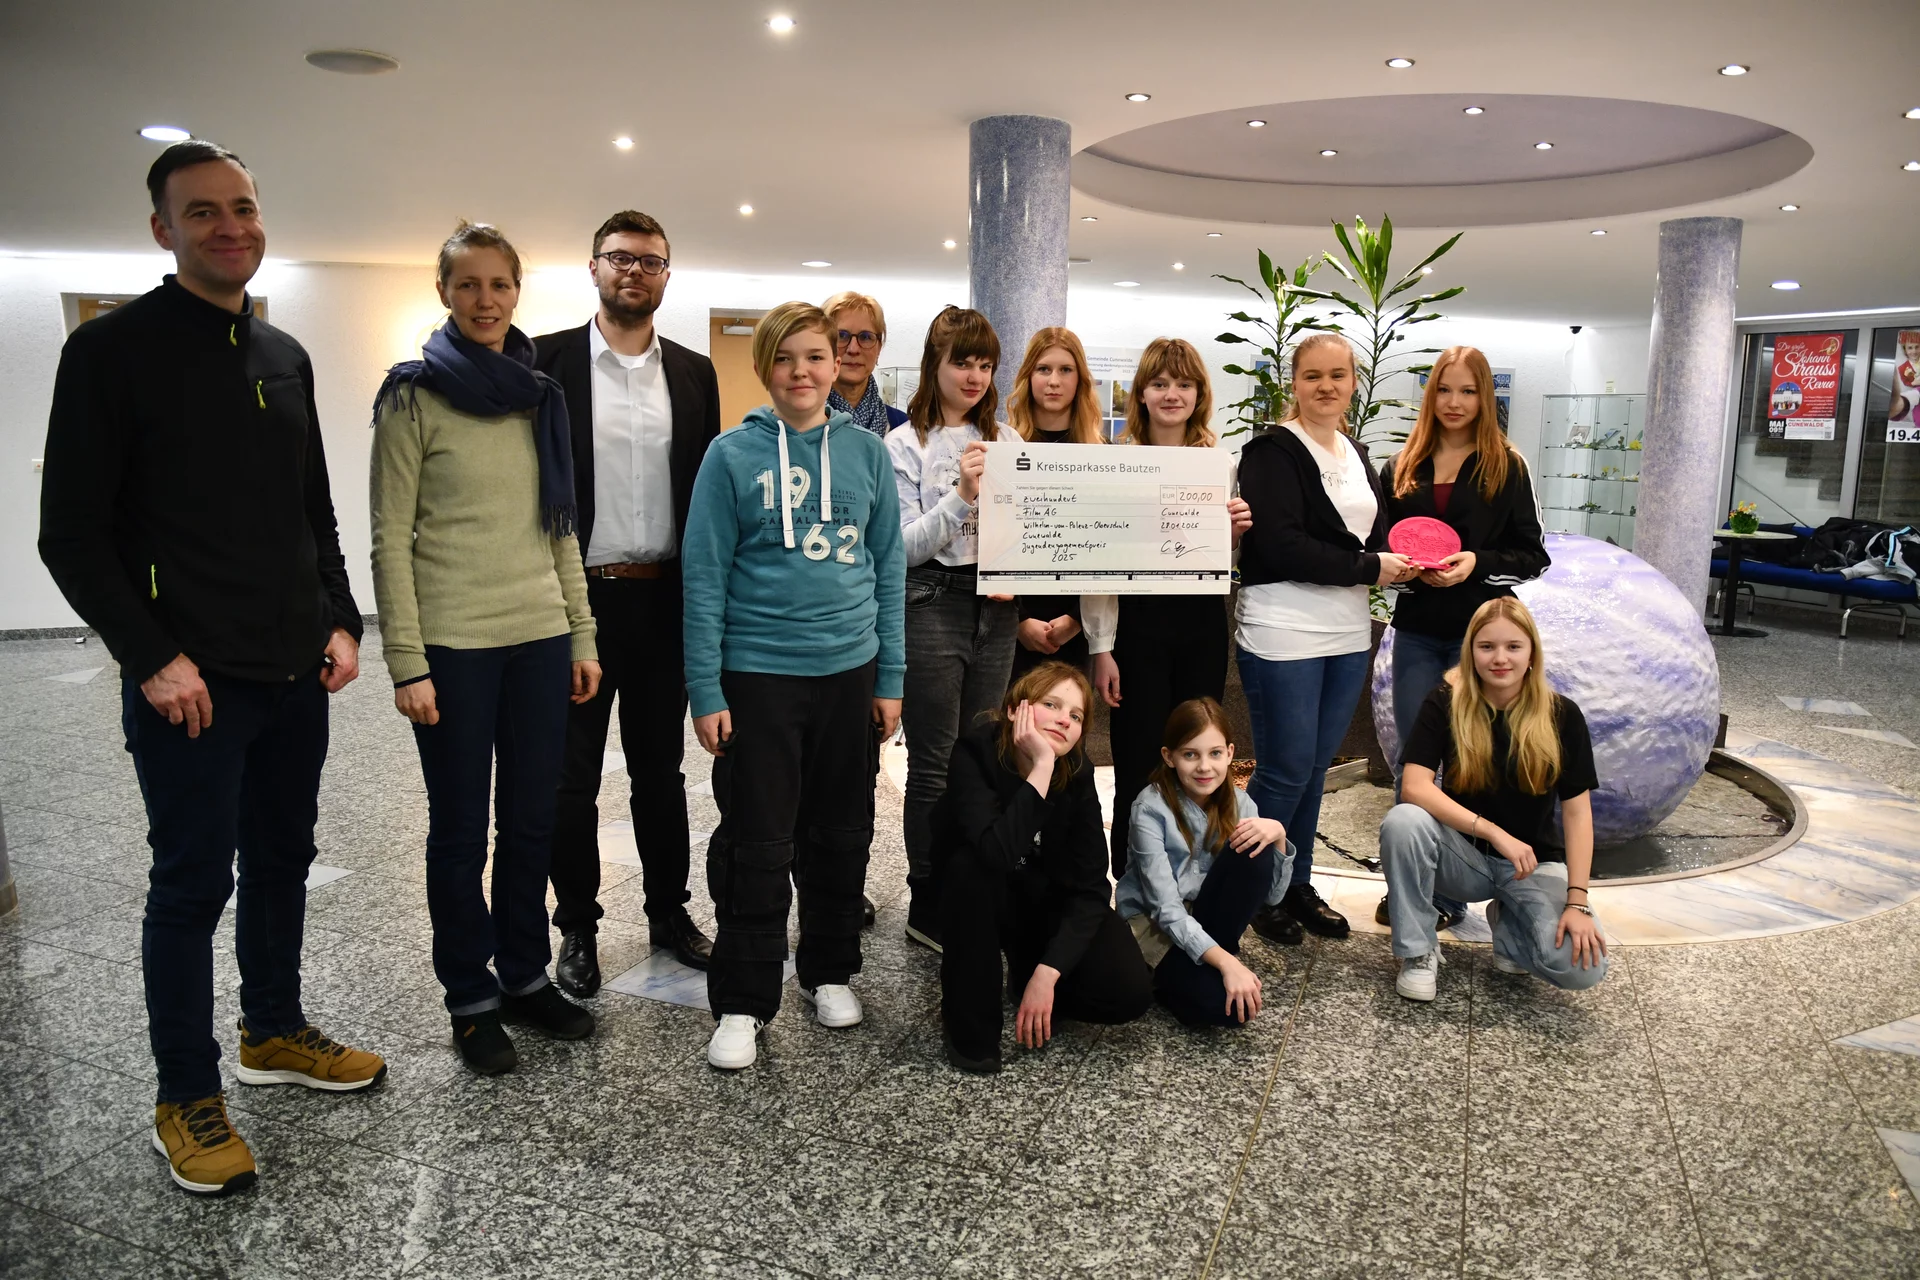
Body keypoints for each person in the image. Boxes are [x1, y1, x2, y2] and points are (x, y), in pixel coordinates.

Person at [39, 139, 385, 1195]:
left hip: (293, 671)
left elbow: (314, 509)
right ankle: (184, 1094)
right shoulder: (111, 352)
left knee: (283, 859)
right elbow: (70, 534)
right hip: (191, 682)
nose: (229, 226)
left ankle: (272, 1029)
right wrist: (152, 658)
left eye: (242, 207)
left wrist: (340, 618)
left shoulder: (283, 353)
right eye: (202, 212)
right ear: (163, 229)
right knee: (192, 883)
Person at [370, 221, 602, 1077]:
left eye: (499, 284)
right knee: (461, 830)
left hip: (539, 638)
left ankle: (525, 974)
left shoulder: (539, 397)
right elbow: (389, 540)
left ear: (516, 292)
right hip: (455, 645)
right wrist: (408, 662)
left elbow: (559, 528)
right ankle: (470, 997)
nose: (484, 300)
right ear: (444, 292)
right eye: (467, 284)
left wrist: (581, 631)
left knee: (532, 821)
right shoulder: (411, 397)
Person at [683, 301, 905, 1071]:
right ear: (764, 368)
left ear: (837, 364)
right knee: (757, 841)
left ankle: (829, 969)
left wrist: (890, 678)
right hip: (759, 677)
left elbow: (888, 569)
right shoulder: (730, 456)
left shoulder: (867, 454)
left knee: (841, 833)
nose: (801, 371)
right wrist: (706, 690)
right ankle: (742, 1002)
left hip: (849, 674)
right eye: (785, 358)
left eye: (815, 356)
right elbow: (704, 577)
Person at [534, 211, 721, 994]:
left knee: (660, 773)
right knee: (570, 778)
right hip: (576, 601)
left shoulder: (695, 373)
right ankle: (577, 925)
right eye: (620, 258)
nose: (634, 271)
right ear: (594, 268)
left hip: (663, 601)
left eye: (650, 261)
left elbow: (708, 501)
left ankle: (668, 912)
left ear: (667, 275)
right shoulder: (542, 363)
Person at [1235, 333, 1417, 946]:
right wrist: (1372, 567)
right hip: (1282, 627)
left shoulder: (1355, 451)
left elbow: (1373, 536)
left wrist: (1406, 560)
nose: (1326, 386)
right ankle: (1250, 889)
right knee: (1285, 770)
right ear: (1294, 381)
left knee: (1314, 769)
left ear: (1354, 382)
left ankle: (1296, 884)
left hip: (1346, 631)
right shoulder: (1271, 451)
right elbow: (1281, 545)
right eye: (1313, 375)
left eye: (1338, 375)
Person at [1377, 345, 1549, 931]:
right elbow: (1380, 548)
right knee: (1415, 761)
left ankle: (1452, 891)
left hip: (1485, 640)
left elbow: (1533, 556)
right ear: (1431, 395)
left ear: (1485, 398)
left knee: (1474, 763)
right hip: (1418, 632)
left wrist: (1477, 562)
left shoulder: (1507, 466)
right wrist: (1405, 569)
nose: (1455, 402)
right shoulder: (1401, 466)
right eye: (1445, 390)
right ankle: (1411, 889)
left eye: (1468, 391)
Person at [1380, 597, 1608, 1001]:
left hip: (1532, 864)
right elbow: (1414, 786)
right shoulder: (1445, 701)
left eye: (1513, 646)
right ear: (1471, 652)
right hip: (1463, 857)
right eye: (1487, 647)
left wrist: (1578, 902)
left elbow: (1577, 815)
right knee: (1403, 821)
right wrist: (1493, 832)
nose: (1500, 658)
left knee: (1582, 967)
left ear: (1532, 653)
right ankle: (1418, 952)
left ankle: (1510, 924)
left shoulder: (1563, 715)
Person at [1087, 338, 1252, 880]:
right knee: (1137, 758)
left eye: (1184, 384)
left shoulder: (1219, 465)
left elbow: (1223, 559)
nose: (1171, 394)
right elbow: (1100, 564)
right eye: (1160, 383)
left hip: (1201, 623)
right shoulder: (1117, 463)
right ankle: (1132, 879)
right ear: (1141, 393)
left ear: (1200, 394)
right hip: (1137, 627)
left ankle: (1193, 875)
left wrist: (1233, 535)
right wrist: (1101, 647)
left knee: (1198, 752)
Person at [938, 662, 1151, 1073]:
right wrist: (1041, 768)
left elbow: (1091, 886)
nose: (1064, 719)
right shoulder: (975, 753)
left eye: (1076, 715)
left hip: (1042, 902)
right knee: (970, 869)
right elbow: (995, 855)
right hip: (980, 900)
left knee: (1129, 992)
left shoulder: (1078, 771)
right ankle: (968, 1023)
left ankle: (1027, 978)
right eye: (1051, 704)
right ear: (1015, 709)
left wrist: (1047, 973)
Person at [888, 306, 1015, 952]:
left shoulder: (1007, 439)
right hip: (931, 600)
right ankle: (927, 895)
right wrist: (962, 494)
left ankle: (970, 887)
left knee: (982, 756)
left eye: (985, 364)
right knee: (933, 763)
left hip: (998, 607)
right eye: (961, 362)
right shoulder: (902, 444)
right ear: (933, 365)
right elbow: (902, 547)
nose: (974, 375)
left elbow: (1030, 528)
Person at [1116, 699, 1291, 1027]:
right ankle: (1172, 976)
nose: (1204, 767)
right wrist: (1228, 963)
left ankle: (1201, 963)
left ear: (1230, 753)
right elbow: (1166, 910)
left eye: (1215, 753)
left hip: (1207, 916)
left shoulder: (1241, 803)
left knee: (1257, 840)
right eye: (1190, 754)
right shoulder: (1149, 808)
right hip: (1155, 926)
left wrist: (1278, 835)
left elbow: (1271, 898)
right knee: (1223, 1009)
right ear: (1169, 757)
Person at [1005, 327, 1106, 681]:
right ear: (1028, 376)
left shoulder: (1102, 456)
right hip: (1011, 623)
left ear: (1080, 380)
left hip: (1075, 627)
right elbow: (988, 543)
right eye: (1044, 369)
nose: (1053, 381)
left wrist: (1077, 618)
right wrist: (1019, 620)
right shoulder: (1004, 448)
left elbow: (1107, 548)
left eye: (1066, 370)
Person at [825, 290, 909, 436]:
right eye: (841, 336)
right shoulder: (801, 421)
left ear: (879, 348)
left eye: (865, 337)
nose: (853, 349)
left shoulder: (903, 426)